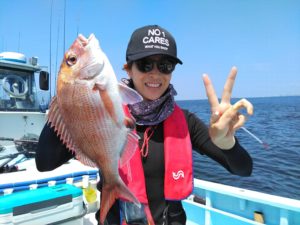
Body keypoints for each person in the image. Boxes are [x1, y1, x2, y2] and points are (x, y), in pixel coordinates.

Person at [35, 25, 253, 225]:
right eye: (145, 64)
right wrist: (68, 98)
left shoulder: (185, 122)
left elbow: (243, 169)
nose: (155, 73)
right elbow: (44, 162)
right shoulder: (102, 112)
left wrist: (227, 143)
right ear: (128, 69)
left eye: (165, 66)